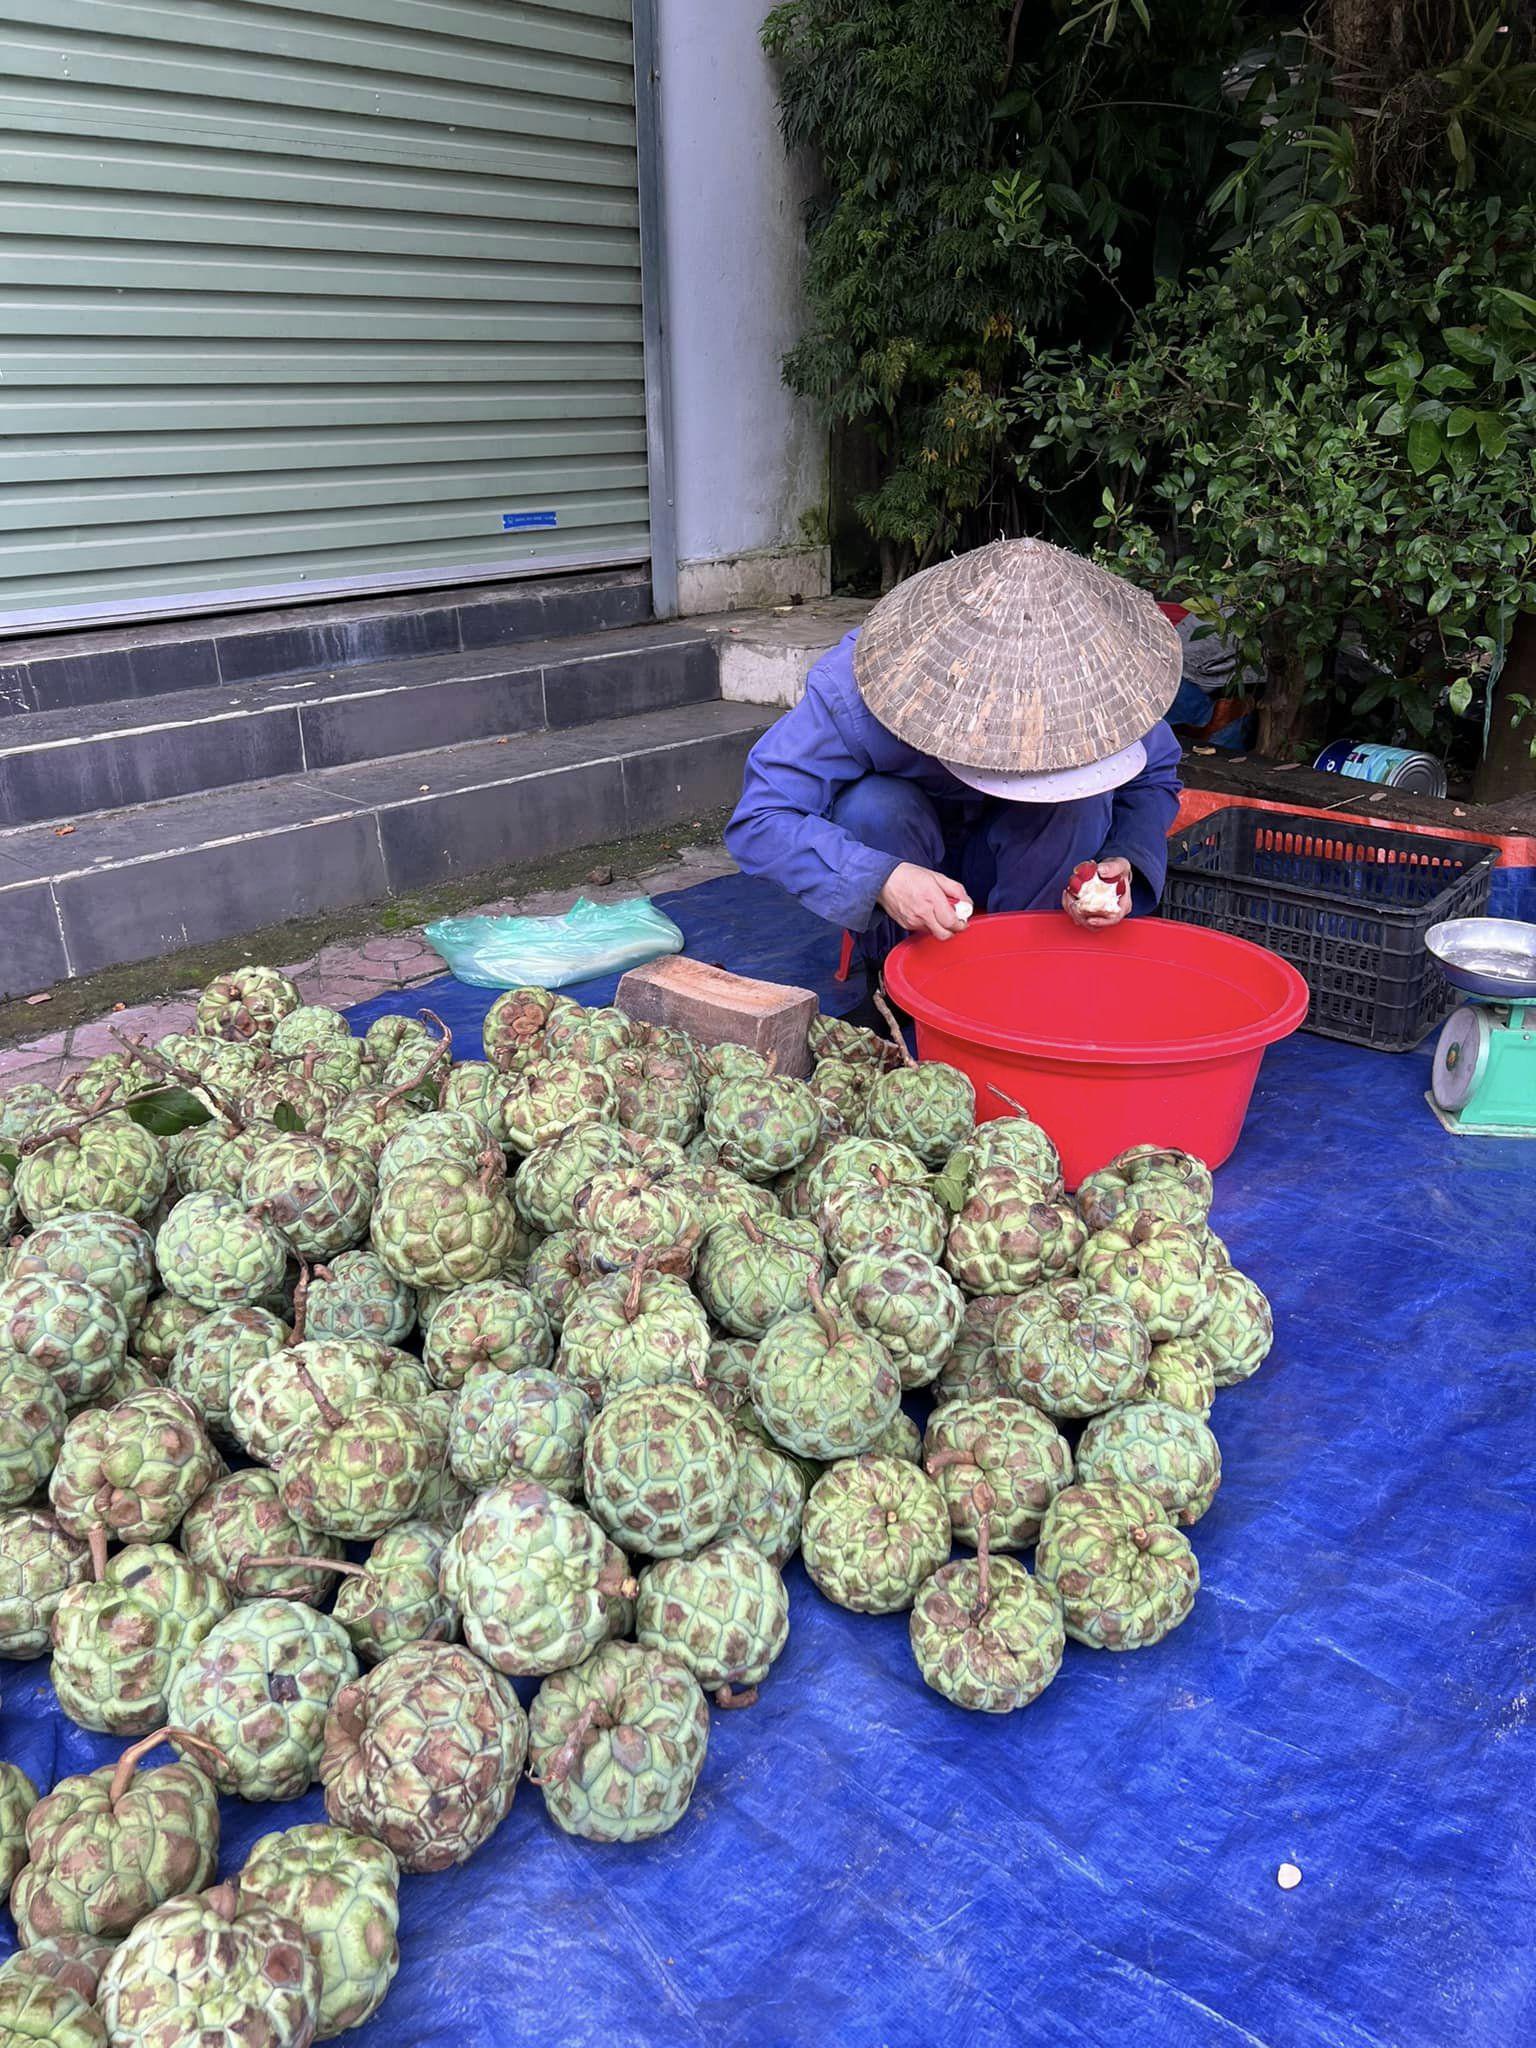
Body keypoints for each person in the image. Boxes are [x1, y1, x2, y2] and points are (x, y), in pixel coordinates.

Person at [725, 539, 1185, 998]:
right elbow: (760, 818)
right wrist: (880, 879)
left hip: (1030, 861)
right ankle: (902, 985)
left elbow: (1153, 775)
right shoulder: (859, 688)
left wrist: (1123, 860)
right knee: (875, 807)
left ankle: (1027, 984)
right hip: (909, 848)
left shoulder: (1102, 683)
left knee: (1078, 803)